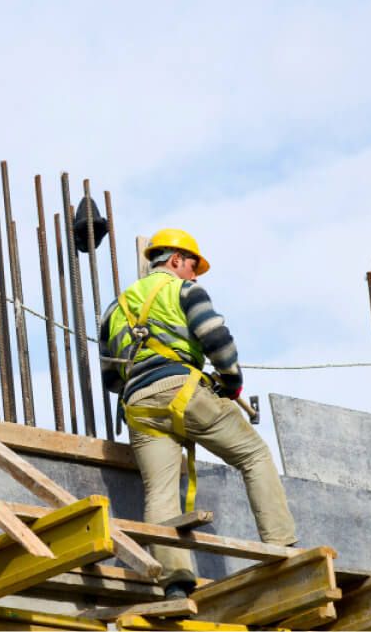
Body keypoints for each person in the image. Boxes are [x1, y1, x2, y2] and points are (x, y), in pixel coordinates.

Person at [98, 228, 297, 598]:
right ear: (175, 260)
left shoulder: (114, 308)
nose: (194, 274)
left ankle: (175, 581)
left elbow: (110, 378)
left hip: (138, 406)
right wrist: (231, 382)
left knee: (159, 492)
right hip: (184, 392)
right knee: (254, 455)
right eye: (192, 266)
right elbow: (216, 338)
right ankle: (282, 547)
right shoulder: (184, 290)